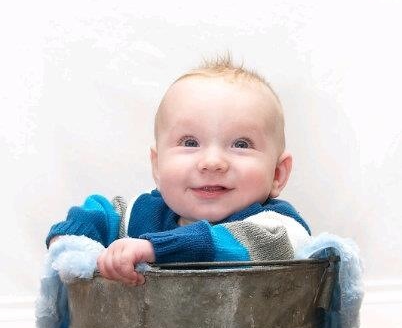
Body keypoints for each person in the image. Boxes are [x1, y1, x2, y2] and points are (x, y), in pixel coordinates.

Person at [47, 55, 311, 285]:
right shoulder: (143, 213)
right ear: (157, 166)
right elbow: (101, 213)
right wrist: (70, 241)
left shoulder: (280, 227)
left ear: (277, 174)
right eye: (190, 143)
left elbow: (241, 242)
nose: (212, 162)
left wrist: (156, 249)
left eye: (241, 144)